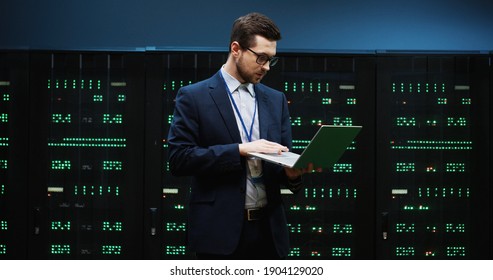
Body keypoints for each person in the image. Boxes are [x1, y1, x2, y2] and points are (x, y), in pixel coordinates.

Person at [167, 12, 313, 259]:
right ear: (236, 49)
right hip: (218, 234)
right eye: (261, 58)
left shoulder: (275, 100)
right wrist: (239, 150)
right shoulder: (194, 97)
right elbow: (179, 159)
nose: (266, 67)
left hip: (269, 234)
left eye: (271, 60)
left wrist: (292, 174)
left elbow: (282, 160)